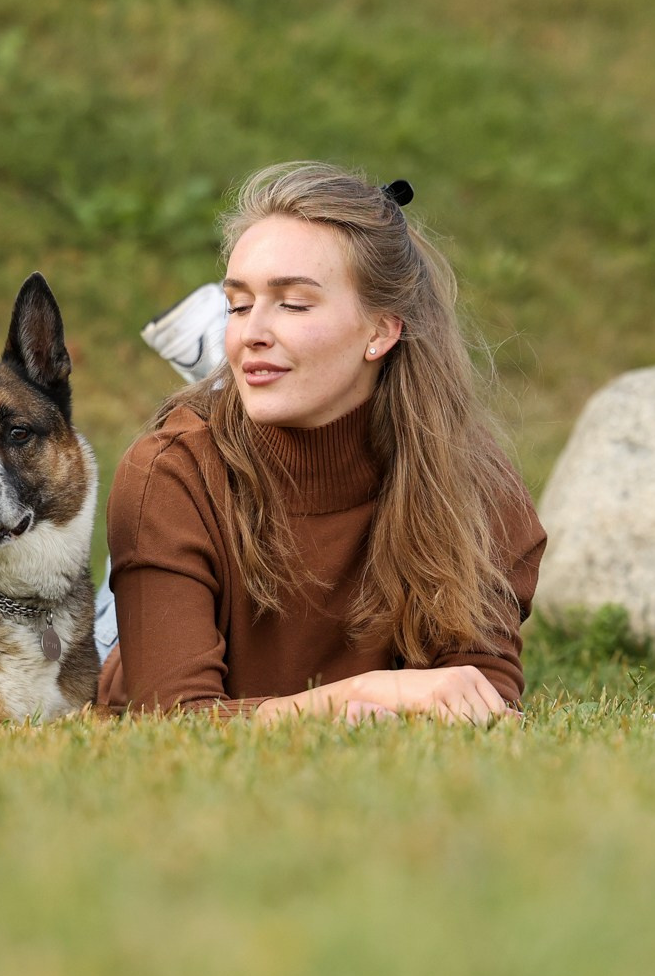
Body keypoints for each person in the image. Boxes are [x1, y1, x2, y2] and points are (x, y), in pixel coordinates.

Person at [97, 163, 547, 722]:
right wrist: (373, 695)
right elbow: (173, 718)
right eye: (237, 305)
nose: (250, 330)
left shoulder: (472, 479)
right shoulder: (169, 473)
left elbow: (480, 693)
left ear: (381, 330)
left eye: (294, 303)